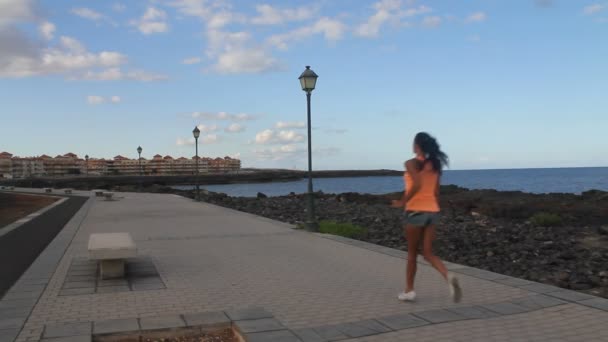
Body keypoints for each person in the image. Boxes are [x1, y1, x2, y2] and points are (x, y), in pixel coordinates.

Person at [391, 132, 462, 302]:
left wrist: (402, 202)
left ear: (417, 146)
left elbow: (416, 183)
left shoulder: (410, 163)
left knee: (412, 254)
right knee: (428, 253)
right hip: (432, 211)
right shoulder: (435, 164)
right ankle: (448, 276)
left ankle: (409, 291)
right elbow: (436, 191)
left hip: (415, 211)